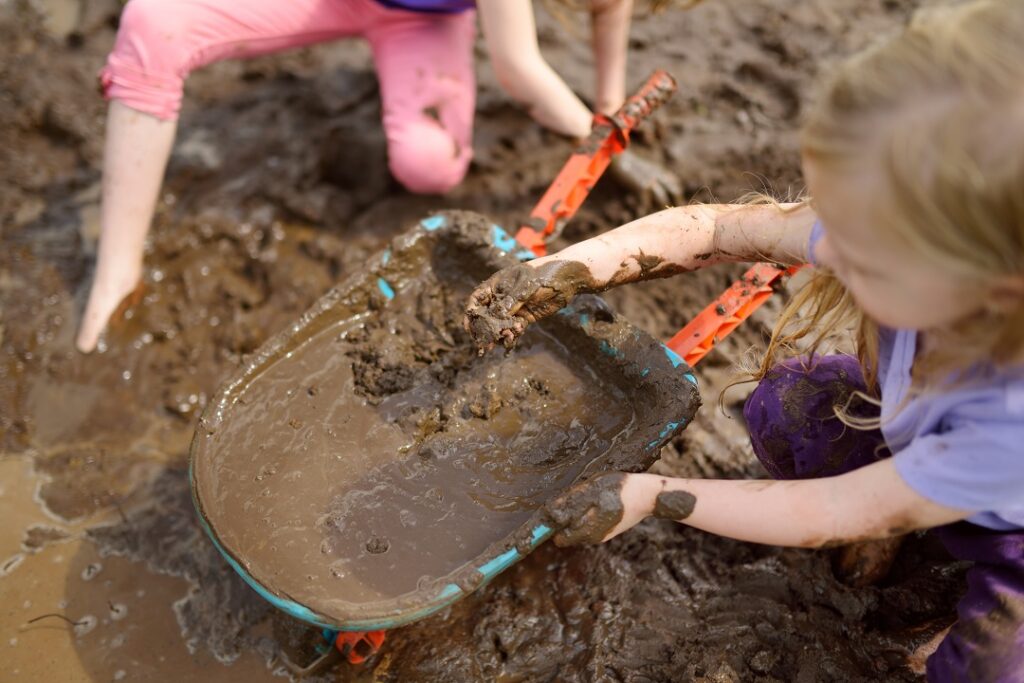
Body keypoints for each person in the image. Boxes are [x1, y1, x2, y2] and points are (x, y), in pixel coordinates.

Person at [464, 1, 1024, 679]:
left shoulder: (1006, 421)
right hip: (928, 438)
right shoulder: (902, 241)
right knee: (791, 406)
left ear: (991, 291)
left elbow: (838, 511)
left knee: (985, 666)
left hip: (1011, 532)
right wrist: (569, 269)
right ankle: (913, 504)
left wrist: (653, 492)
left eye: (861, 252)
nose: (828, 248)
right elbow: (716, 230)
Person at [77, 0, 681, 353]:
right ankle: (116, 274)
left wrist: (611, 125)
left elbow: (609, 13)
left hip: (418, 18)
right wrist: (614, 152)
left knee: (429, 164)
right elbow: (519, 68)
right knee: (154, 26)